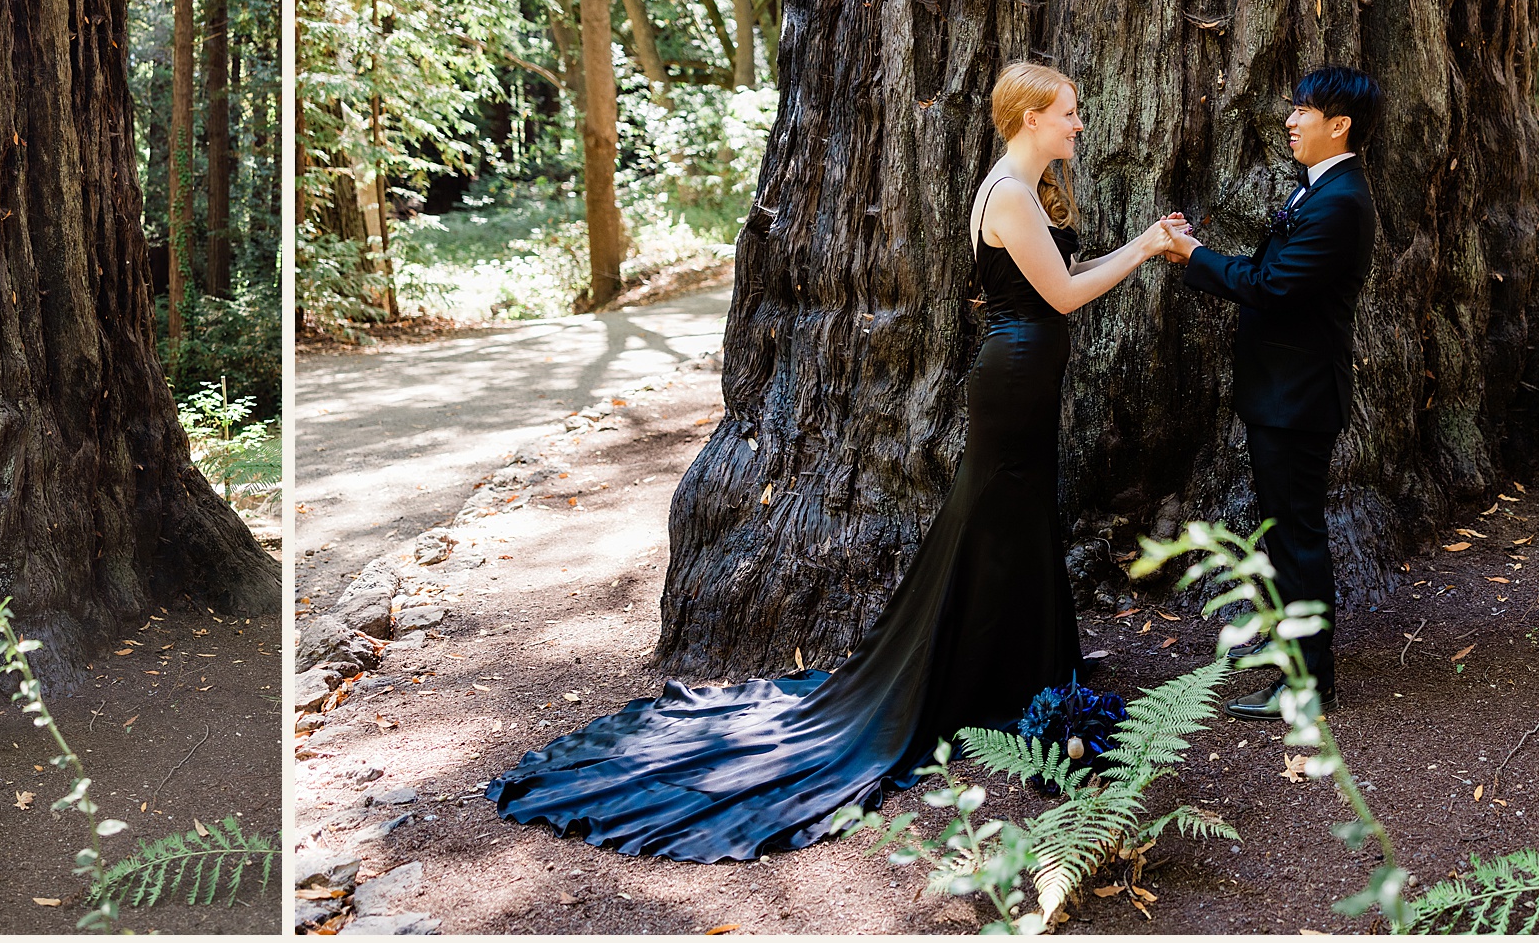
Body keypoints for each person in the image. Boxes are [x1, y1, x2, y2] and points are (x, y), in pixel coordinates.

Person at [489, 62, 1182, 862]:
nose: (1079, 123)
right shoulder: (1009, 195)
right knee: (998, 517)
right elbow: (1060, 295)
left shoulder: (1022, 189)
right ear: (1029, 118)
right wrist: (1145, 245)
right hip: (1016, 376)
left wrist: (1141, 244)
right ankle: (978, 680)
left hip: (1027, 373)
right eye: (1069, 112)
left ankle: (1023, 670)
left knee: (1015, 520)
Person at [1161, 65, 1382, 721]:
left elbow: (1272, 285)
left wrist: (1194, 257)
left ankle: (1309, 686)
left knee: (1296, 541)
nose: (1290, 120)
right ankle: (1299, 669)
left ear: (1338, 123)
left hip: (1299, 399)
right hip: (1284, 394)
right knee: (1289, 538)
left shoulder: (1340, 200)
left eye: (1304, 111)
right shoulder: (1321, 189)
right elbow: (1268, 272)